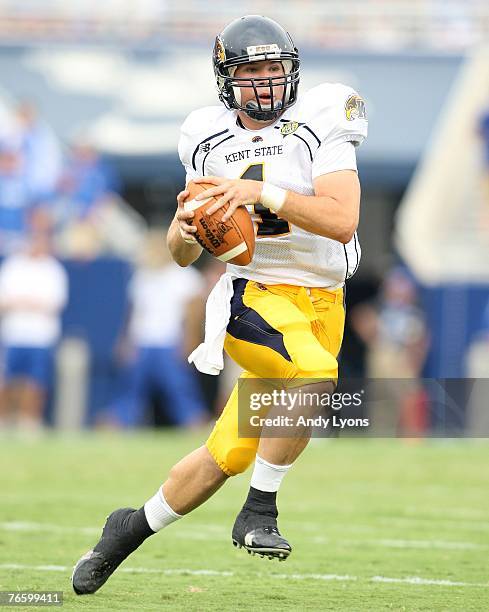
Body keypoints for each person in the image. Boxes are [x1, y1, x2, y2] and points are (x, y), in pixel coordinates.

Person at [72, 14, 367, 595]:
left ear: (293, 70)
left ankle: (124, 533)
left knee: (224, 454)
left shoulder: (325, 117)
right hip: (250, 297)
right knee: (315, 374)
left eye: (273, 69)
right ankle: (260, 512)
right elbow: (181, 252)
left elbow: (343, 219)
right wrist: (186, 227)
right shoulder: (208, 138)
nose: (264, 82)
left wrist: (261, 191)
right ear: (226, 77)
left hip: (322, 304)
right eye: (251, 70)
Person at [111, 229, 208, 427]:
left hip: (170, 343)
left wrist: (191, 343)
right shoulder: (142, 277)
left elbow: (195, 314)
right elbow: (134, 314)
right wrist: (125, 342)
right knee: (131, 390)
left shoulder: (185, 276)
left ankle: (195, 424)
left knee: (180, 390)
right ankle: (116, 423)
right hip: (143, 343)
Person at [0, 229, 68, 432]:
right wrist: (30, 302)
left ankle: (29, 422)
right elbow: (4, 300)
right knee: (8, 380)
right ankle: (5, 421)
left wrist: (23, 301)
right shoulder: (13, 266)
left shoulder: (53, 269)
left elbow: (54, 303)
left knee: (36, 382)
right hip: (14, 334)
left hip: (41, 336)